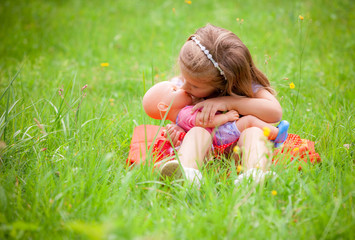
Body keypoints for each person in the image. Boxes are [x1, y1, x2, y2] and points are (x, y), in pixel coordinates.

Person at [154, 24, 284, 186]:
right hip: (205, 154)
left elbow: (275, 112)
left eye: (194, 86)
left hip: (239, 152)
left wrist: (229, 102)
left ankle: (255, 175)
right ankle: (186, 173)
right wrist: (178, 130)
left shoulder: (247, 86)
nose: (184, 87)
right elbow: (179, 114)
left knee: (254, 133)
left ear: (225, 83)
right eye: (183, 77)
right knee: (196, 132)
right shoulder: (187, 84)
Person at [142, 81, 289, 149]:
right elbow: (203, 121)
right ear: (164, 107)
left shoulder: (181, 116)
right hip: (219, 133)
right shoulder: (185, 113)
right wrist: (226, 117)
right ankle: (277, 135)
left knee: (249, 124)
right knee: (249, 122)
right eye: (175, 89)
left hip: (215, 135)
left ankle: (272, 135)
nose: (182, 88)